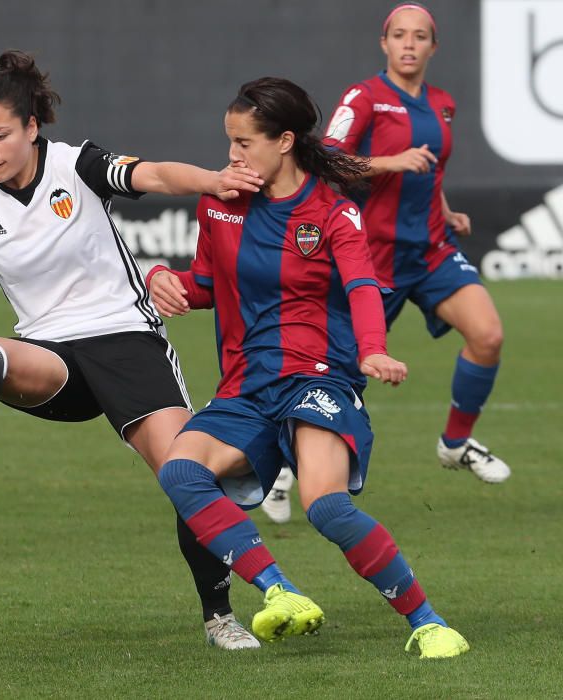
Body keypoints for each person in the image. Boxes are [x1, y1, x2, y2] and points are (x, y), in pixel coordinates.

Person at [0, 50, 268, 650]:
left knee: (186, 476)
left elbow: (156, 175)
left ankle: (219, 616)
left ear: (32, 127)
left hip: (126, 341)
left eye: (0, 135)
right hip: (53, 356)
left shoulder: (76, 165)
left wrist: (214, 180)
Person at [147, 76, 469, 658]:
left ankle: (429, 622)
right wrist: (163, 281)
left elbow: (364, 284)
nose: (232, 156)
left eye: (244, 143)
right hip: (245, 387)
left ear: (285, 140)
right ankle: (280, 590)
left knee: (325, 505)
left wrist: (372, 347)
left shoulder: (332, 210)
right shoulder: (219, 203)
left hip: (317, 379)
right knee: (179, 472)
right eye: (229, 142)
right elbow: (204, 285)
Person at [321, 2, 509, 484]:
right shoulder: (363, 97)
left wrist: (445, 211)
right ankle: (279, 464)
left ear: (433, 46)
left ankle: (455, 443)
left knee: (487, 335)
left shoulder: (443, 102)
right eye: (400, 35)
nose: (409, 43)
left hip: (430, 250)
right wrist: (389, 162)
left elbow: (429, 169)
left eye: (419, 36)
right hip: (372, 257)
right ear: (384, 43)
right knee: (334, 371)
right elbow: (328, 162)